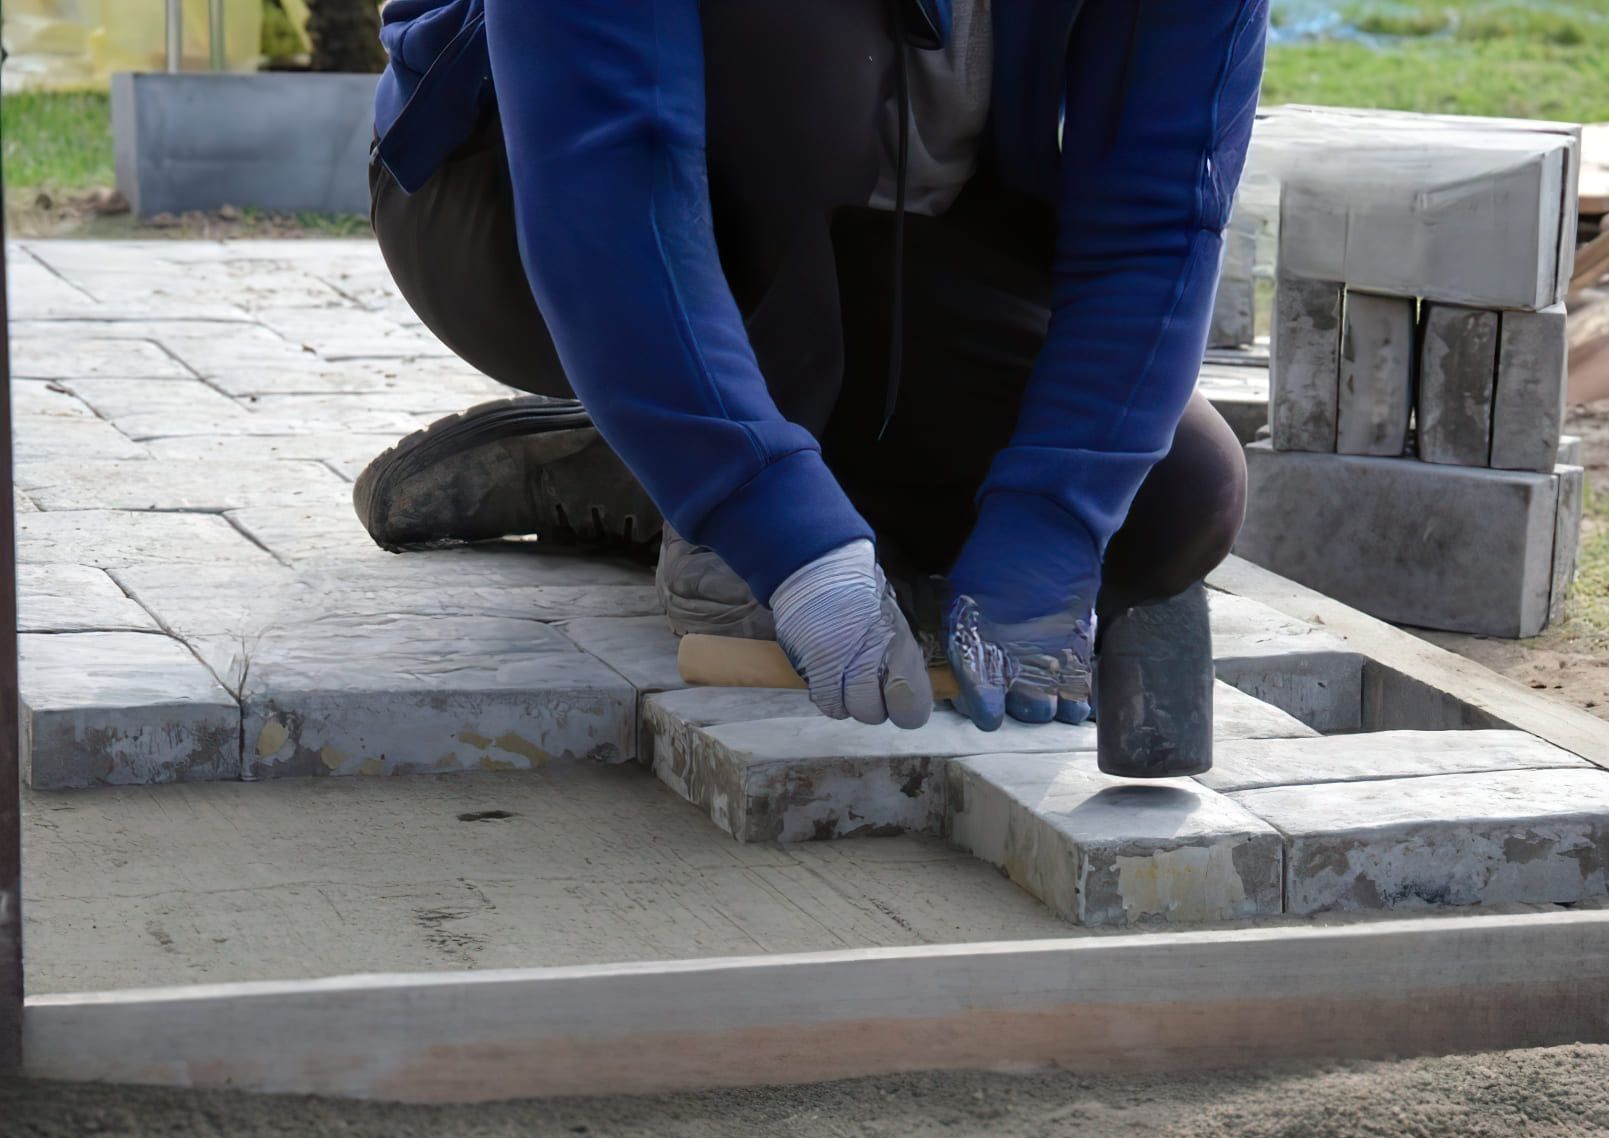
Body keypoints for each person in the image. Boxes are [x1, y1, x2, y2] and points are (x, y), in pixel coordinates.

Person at [359, 0, 1266, 732]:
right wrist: (779, 536)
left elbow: (1156, 216)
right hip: (524, 192)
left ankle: (660, 455)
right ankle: (724, 481)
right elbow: (609, 157)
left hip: (890, 247)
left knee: (1173, 501)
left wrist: (1056, 522)